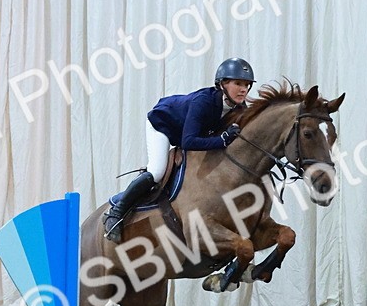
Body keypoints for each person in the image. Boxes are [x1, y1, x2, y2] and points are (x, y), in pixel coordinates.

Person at [102, 58, 256, 242]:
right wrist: (222, 140)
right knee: (157, 171)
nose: (243, 89)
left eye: (247, 85)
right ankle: (115, 213)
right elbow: (189, 141)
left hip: (190, 131)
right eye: (238, 83)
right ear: (222, 84)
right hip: (163, 124)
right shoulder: (204, 102)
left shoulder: (240, 108)